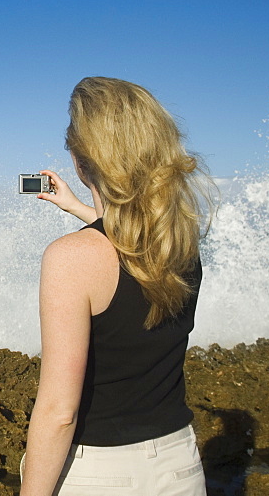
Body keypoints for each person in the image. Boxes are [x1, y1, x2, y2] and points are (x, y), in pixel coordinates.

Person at [19, 77, 216, 495]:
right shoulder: (180, 244)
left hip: (99, 475)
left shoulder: (70, 258)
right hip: (180, 466)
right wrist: (77, 206)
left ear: (80, 160)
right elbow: (129, 244)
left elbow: (59, 413)